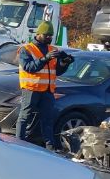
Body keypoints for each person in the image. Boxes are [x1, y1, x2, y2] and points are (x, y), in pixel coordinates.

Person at [15, 21, 74, 149]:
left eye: (51, 36)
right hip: (31, 89)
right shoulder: (26, 49)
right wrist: (45, 58)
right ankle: (18, 143)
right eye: (47, 35)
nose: (49, 38)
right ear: (39, 34)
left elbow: (57, 71)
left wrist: (65, 63)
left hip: (48, 90)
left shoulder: (53, 50)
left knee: (47, 119)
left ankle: (50, 146)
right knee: (25, 117)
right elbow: (29, 67)